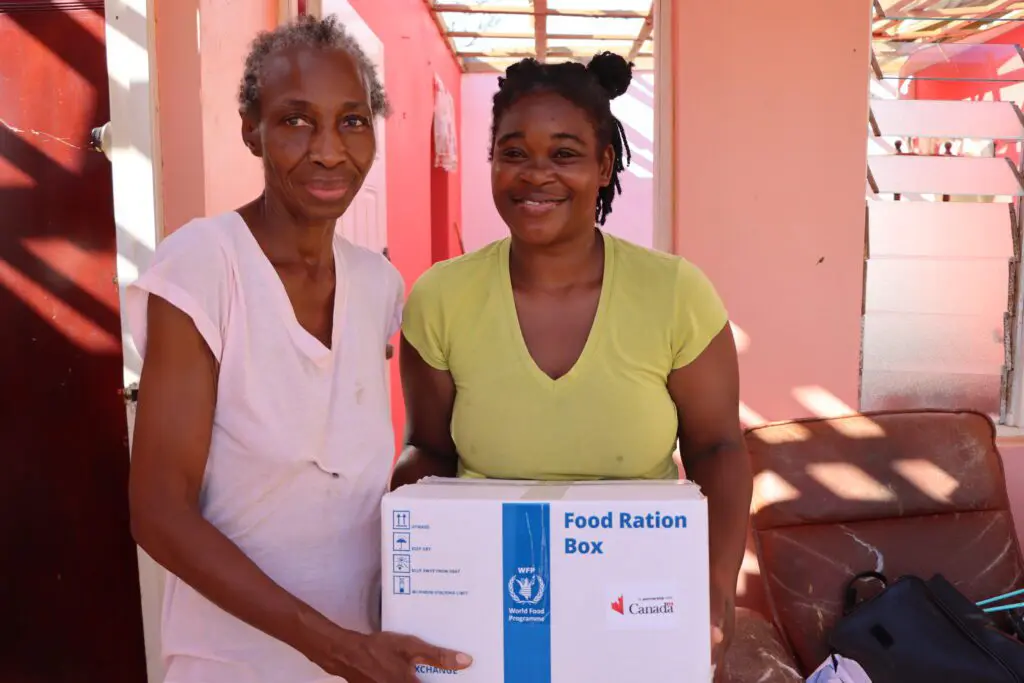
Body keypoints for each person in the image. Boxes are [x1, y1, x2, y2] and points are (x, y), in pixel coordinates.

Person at [126, 15, 470, 683]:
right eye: (295, 121)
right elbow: (159, 512)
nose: (329, 150)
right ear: (251, 129)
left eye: (352, 121)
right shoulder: (205, 266)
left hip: (368, 655)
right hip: (231, 664)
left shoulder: (377, 285)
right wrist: (336, 647)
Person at [393, 52, 753, 671]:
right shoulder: (441, 298)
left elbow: (718, 449)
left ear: (604, 165)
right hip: (489, 612)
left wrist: (716, 589)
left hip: (637, 606)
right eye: (513, 152)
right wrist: (407, 569)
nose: (537, 174)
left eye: (564, 153)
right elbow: (428, 450)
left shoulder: (673, 294)